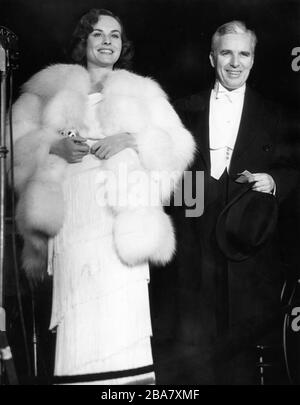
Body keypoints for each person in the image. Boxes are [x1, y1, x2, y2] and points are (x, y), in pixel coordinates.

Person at [11, 8, 195, 384]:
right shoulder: (48, 89)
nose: (107, 41)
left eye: (115, 34)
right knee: (80, 320)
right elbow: (12, 149)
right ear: (84, 41)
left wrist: (131, 139)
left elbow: (178, 149)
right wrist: (53, 148)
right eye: (98, 34)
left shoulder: (142, 91)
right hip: (74, 218)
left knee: (121, 322)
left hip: (120, 220)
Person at [166, 20, 299, 384]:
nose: (235, 62)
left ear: (253, 60)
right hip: (196, 254)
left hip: (248, 254)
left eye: (244, 54)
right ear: (212, 58)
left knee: (241, 363)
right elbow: (167, 176)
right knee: (194, 360)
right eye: (226, 52)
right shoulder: (181, 110)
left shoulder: (275, 115)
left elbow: (291, 168)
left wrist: (272, 181)